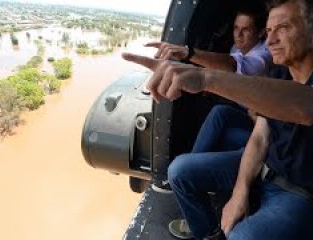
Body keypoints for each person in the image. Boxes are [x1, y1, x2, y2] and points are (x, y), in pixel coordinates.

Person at [122, 0, 313, 239]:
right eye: (270, 30)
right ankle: (209, 233)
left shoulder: (269, 64)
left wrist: (204, 77)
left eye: (283, 28)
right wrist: (239, 192)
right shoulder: (279, 72)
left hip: (299, 191)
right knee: (180, 170)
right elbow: (260, 138)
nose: (271, 40)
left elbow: (305, 105)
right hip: (265, 167)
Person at [147, 5, 271, 239]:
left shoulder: (263, 55)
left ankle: (201, 214)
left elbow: (237, 66)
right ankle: (192, 170)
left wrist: (189, 54)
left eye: (246, 30)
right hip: (251, 117)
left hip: (261, 127)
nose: (239, 35)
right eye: (236, 28)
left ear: (260, 34)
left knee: (217, 125)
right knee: (219, 113)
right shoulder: (238, 47)